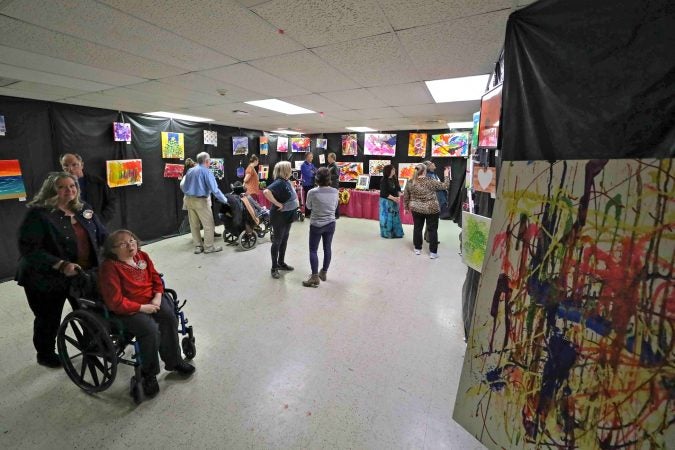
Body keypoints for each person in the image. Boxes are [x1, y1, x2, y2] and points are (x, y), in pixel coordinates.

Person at [16, 172, 107, 368]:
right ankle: (45, 353)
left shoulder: (84, 209)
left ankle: (91, 344)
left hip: (82, 274)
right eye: (62, 187)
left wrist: (121, 246)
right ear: (51, 190)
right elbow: (29, 249)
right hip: (44, 277)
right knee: (48, 317)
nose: (69, 190)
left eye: (72, 186)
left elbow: (101, 234)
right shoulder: (39, 214)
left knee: (89, 311)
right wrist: (61, 264)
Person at [99, 229, 195, 398]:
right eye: (123, 244)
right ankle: (148, 374)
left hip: (153, 298)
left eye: (132, 241)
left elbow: (156, 279)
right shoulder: (110, 268)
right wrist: (142, 308)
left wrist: (157, 298)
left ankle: (174, 360)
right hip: (129, 308)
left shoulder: (142, 257)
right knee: (150, 331)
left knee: (169, 318)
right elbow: (116, 302)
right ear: (112, 250)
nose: (130, 245)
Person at [180, 152, 228, 254]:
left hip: (189, 200)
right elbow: (215, 190)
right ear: (206, 161)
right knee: (208, 225)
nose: (210, 161)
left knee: (194, 225)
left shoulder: (190, 171)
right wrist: (225, 200)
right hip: (201, 201)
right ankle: (208, 247)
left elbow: (183, 186)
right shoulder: (206, 172)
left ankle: (198, 246)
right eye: (209, 160)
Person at [403, 163, 451, 259]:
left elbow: (406, 195)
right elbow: (445, 186)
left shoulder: (410, 182)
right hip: (431, 209)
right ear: (425, 171)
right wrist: (446, 175)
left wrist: (406, 208)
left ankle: (417, 249)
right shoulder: (431, 181)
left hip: (416, 208)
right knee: (432, 230)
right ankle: (433, 253)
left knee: (417, 228)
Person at [302, 167, 339, 287]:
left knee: (313, 250)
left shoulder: (312, 192)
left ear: (317, 178)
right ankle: (323, 272)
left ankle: (314, 277)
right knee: (327, 248)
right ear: (329, 178)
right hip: (330, 223)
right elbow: (335, 205)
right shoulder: (335, 191)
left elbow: (308, 206)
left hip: (316, 224)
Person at [263, 161, 298, 279]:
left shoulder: (286, 181)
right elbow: (266, 192)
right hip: (279, 217)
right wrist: (278, 204)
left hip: (287, 216)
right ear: (284, 170)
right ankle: (274, 267)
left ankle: (281, 263)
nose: (291, 170)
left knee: (284, 240)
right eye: (289, 168)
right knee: (277, 241)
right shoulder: (279, 182)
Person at [60, 153, 117, 224]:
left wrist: (100, 219)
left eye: (74, 165)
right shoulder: (59, 187)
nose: (70, 169)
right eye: (66, 166)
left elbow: (111, 201)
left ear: (82, 165)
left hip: (96, 227)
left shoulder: (97, 182)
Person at [423, 160, 449, 241]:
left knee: (431, 219)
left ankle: (427, 236)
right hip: (433, 201)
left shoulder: (433, 175)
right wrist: (446, 176)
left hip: (435, 200)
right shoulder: (430, 176)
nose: (434, 163)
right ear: (428, 167)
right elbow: (444, 186)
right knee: (433, 221)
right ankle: (431, 238)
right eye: (431, 163)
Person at [379, 165, 404, 239]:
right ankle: (387, 234)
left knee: (395, 217)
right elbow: (384, 193)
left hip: (394, 200)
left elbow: (398, 188)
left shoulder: (394, 179)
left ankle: (397, 233)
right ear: (388, 171)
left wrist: (400, 195)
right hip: (386, 202)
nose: (394, 170)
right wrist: (394, 198)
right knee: (387, 218)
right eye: (393, 169)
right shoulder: (384, 180)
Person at [300, 152, 317, 218]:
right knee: (308, 199)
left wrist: (313, 172)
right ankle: (307, 214)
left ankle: (310, 213)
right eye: (310, 157)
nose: (312, 158)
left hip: (312, 184)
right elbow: (309, 174)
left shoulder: (311, 164)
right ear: (306, 157)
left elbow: (316, 171)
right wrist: (313, 172)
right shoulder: (303, 165)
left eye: (312, 157)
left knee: (311, 199)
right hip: (307, 184)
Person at [326, 152, 340, 218]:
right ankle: (331, 213)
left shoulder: (335, 166)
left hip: (334, 185)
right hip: (329, 185)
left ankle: (337, 214)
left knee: (335, 200)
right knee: (330, 200)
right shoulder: (329, 165)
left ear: (332, 158)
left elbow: (337, 176)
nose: (327, 158)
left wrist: (328, 176)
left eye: (328, 157)